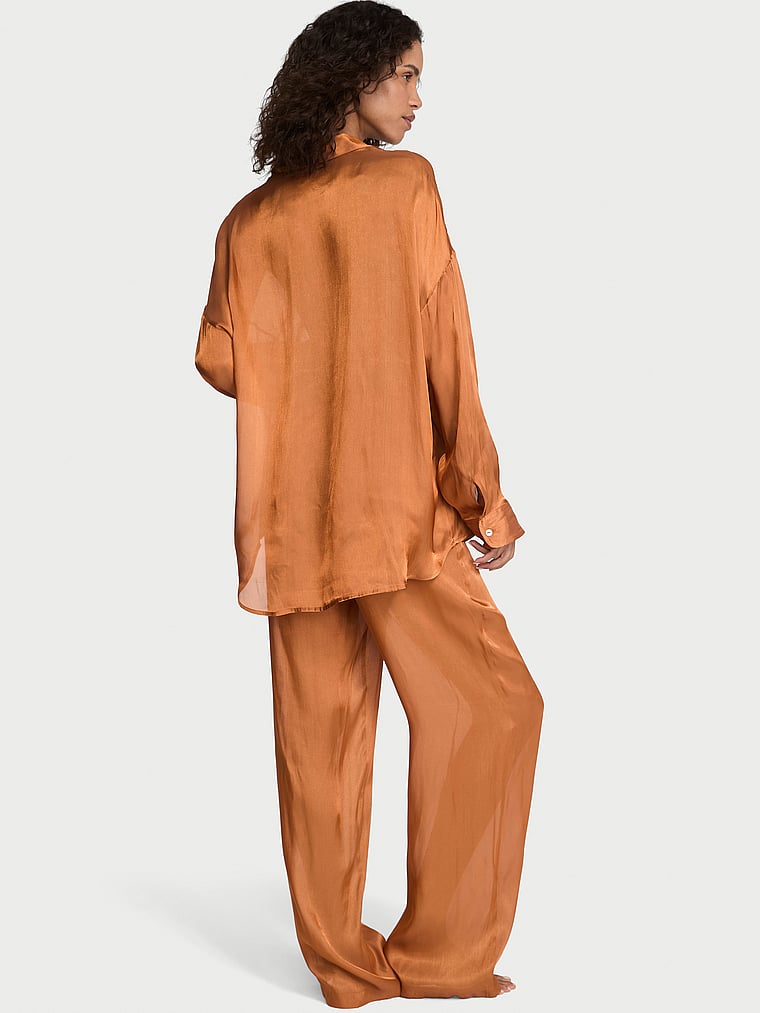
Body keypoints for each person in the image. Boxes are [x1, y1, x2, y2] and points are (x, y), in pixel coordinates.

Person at [195, 2, 543, 1007]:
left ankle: (343, 967)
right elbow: (445, 345)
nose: (419, 98)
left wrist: (310, 354)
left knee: (321, 745)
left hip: (289, 522)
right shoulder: (404, 186)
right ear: (355, 79)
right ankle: (439, 954)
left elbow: (220, 358)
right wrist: (481, 496)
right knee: (496, 705)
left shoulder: (249, 220)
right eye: (406, 74)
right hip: (393, 512)